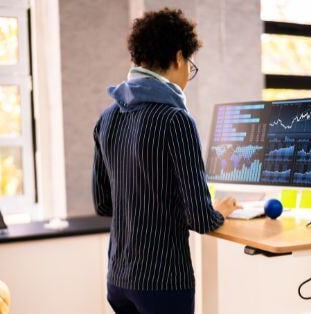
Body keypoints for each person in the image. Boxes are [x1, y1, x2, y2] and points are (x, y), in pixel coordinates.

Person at [91, 8, 241, 314]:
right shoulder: (176, 120)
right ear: (177, 58)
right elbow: (201, 218)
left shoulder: (107, 118)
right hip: (163, 283)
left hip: (119, 278)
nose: (189, 74)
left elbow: (104, 204)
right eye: (190, 64)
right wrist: (219, 211)